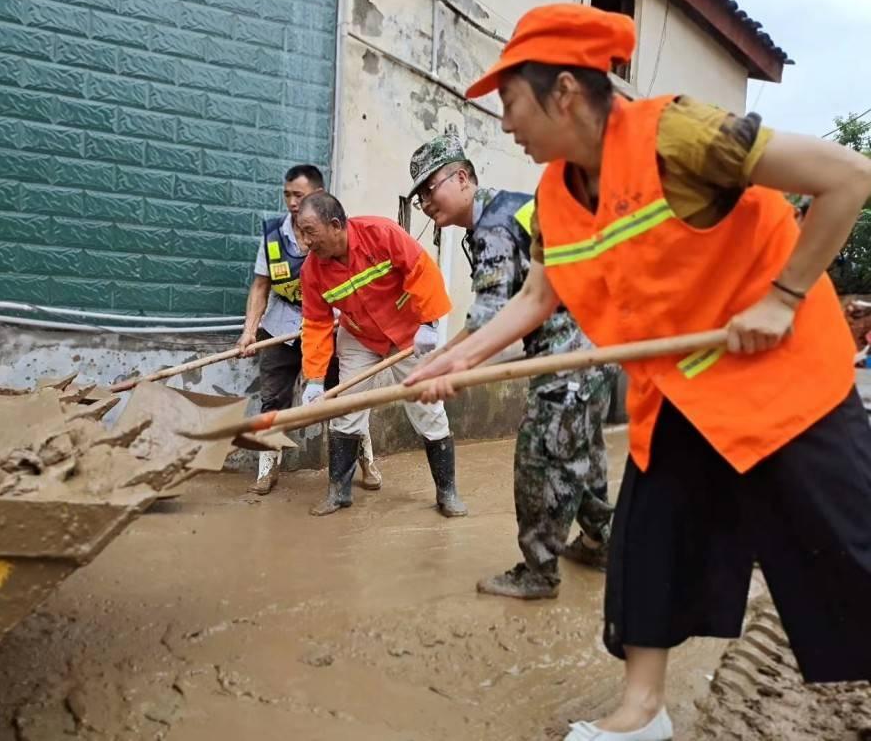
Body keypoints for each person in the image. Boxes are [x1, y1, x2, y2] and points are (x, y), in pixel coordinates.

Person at [406, 3, 871, 741]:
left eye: (511, 102)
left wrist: (784, 298)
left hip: (780, 375)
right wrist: (453, 362)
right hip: (681, 390)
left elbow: (848, 176)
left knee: (847, 542)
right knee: (646, 546)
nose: (504, 123)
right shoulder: (556, 194)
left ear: (563, 92)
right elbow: (535, 297)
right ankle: (641, 713)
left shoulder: (677, 135)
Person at [407, 128, 616, 598]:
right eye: (418, 195)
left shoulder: (494, 228)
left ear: (462, 178)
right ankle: (602, 542)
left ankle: (539, 573)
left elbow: (490, 320)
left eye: (429, 187)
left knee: (539, 461)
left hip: (568, 357)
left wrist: (445, 367)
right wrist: (445, 359)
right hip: (590, 352)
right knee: (581, 453)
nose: (424, 202)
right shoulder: (511, 206)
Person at [296, 191, 468, 518]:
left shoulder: (381, 234)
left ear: (335, 225)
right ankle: (338, 493)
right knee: (347, 408)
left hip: (409, 333)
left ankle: (447, 492)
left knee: (427, 408)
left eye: (309, 232)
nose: (305, 243)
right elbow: (317, 324)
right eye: (301, 233)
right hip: (359, 336)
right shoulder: (312, 272)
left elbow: (423, 272)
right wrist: (315, 380)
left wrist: (429, 323)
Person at [237, 165, 381, 495]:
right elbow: (261, 286)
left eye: (298, 195)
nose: (290, 202)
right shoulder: (273, 235)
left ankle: (366, 460)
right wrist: (249, 330)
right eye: (286, 194)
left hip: (328, 328)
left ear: (317, 196)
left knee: (345, 400)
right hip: (279, 329)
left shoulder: (333, 235)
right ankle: (267, 467)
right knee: (272, 399)